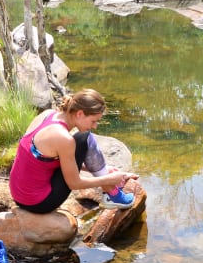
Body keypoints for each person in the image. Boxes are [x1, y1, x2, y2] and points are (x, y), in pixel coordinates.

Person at [9, 89, 139, 213]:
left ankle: (108, 184)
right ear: (80, 113)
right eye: (93, 121)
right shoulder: (63, 138)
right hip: (38, 202)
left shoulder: (47, 115)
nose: (95, 126)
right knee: (85, 138)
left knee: (82, 139)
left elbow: (52, 160)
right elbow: (74, 183)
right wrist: (108, 179)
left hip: (18, 194)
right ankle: (112, 194)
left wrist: (100, 170)